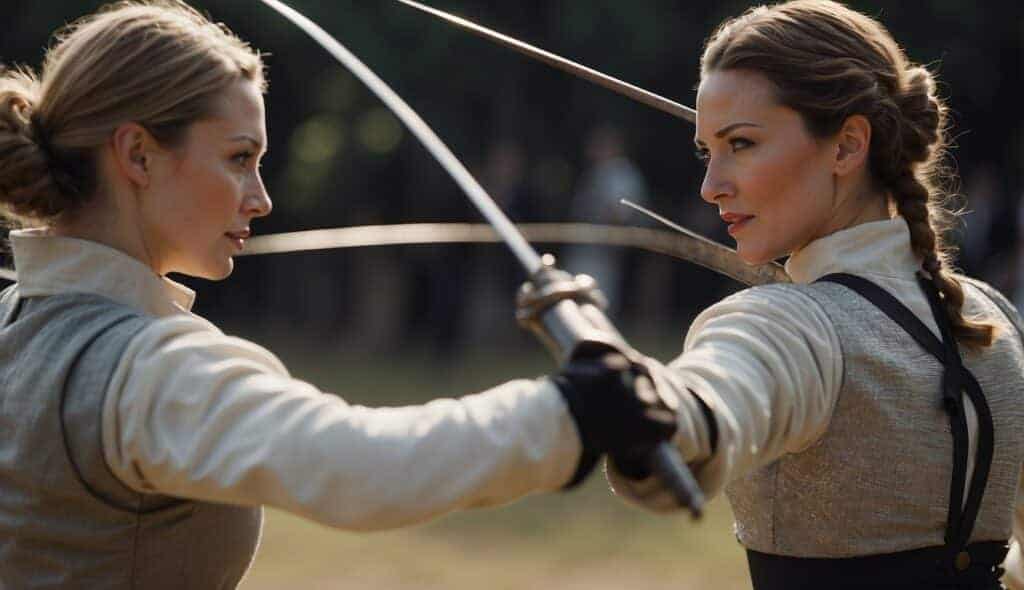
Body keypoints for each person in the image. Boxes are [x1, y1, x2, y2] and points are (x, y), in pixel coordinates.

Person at [0, 2, 676, 588]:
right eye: (239, 158)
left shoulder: (15, 321)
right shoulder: (149, 372)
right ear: (138, 156)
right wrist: (570, 411)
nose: (261, 198)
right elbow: (366, 466)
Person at [573, 1, 1024, 588]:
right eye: (707, 151)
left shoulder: (789, 324)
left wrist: (655, 414)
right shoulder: (994, 314)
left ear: (845, 147)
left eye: (741, 144)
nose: (711, 187)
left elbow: (707, 404)